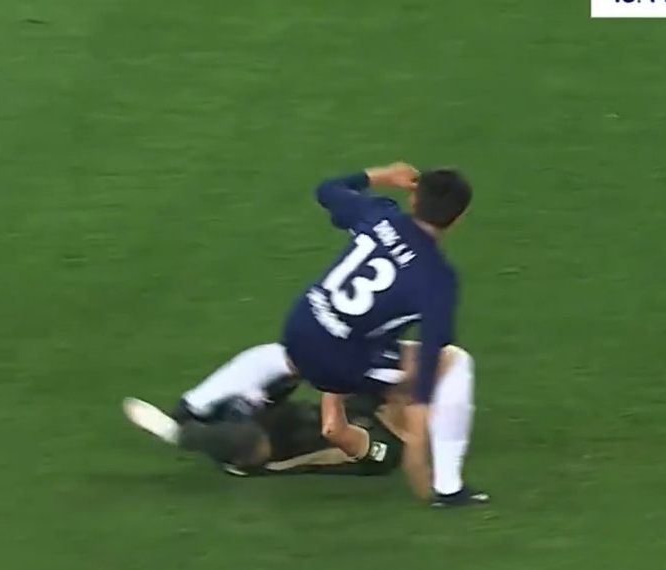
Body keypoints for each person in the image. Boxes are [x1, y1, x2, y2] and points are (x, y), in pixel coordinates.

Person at [126, 163, 486, 507]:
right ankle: (449, 486)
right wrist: (418, 429)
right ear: (457, 219)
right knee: (452, 362)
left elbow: (328, 189)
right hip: (337, 361)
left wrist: (384, 175)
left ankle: (191, 412)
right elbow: (427, 361)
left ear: (414, 198)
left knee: (274, 391)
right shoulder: (437, 281)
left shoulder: (380, 216)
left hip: (303, 327)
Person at [125, 379, 409, 478]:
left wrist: (331, 386)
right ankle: (201, 412)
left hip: (273, 452)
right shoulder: (378, 401)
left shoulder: (389, 451)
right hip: (282, 416)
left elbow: (335, 433)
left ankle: (178, 434)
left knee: (249, 440)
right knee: (284, 372)